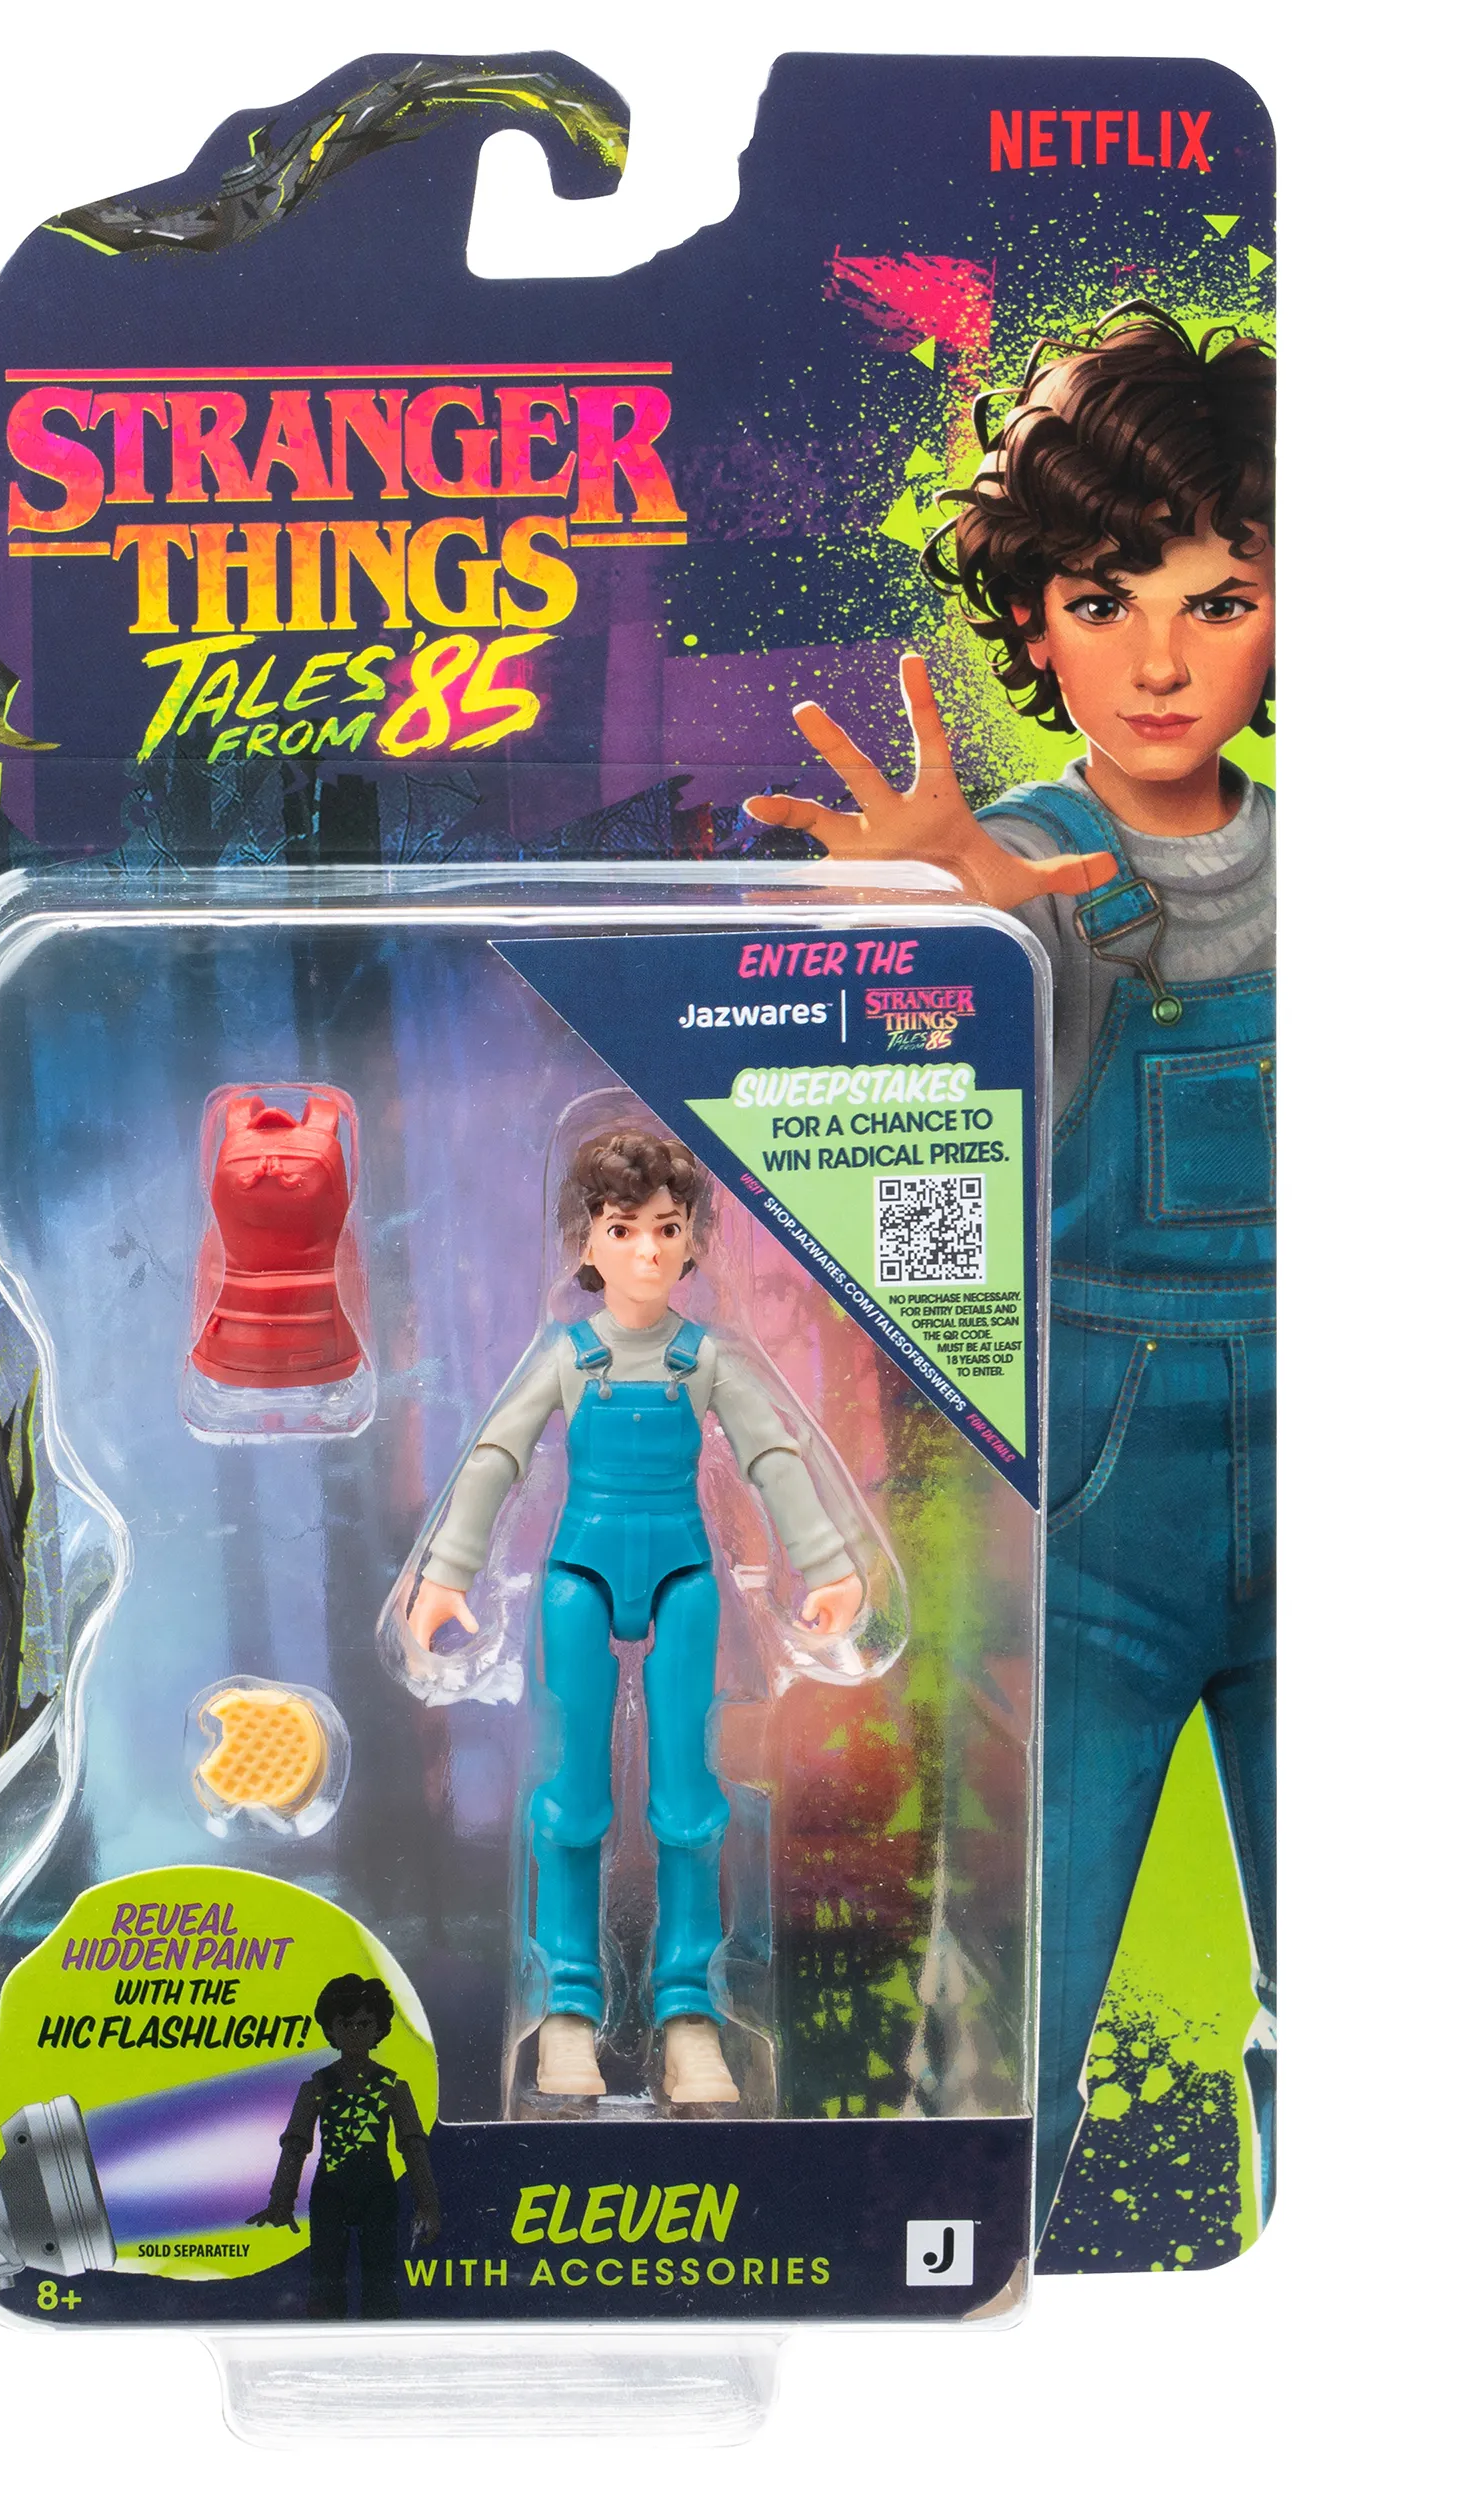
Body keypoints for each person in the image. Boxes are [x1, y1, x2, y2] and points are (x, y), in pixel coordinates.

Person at [746, 304, 1276, 2239]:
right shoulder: (1010, 869)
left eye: (1220, 603)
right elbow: (908, 1167)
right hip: (1093, 1517)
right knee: (1014, 1991)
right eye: (1104, 601)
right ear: (1033, 623)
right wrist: (927, 941)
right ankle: (959, 2275)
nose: (1162, 661)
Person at [407, 1129, 863, 2107]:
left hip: (684, 1578)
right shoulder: (565, 1355)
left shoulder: (707, 1357)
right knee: (572, 1799)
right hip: (576, 1576)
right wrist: (445, 1574)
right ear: (586, 1242)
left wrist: (826, 1563)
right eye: (624, 1229)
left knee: (690, 1804)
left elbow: (772, 1456)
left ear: (694, 1238)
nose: (648, 1251)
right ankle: (567, 2008)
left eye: (666, 1228)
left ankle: (689, 2014)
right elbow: (495, 1456)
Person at [248, 1973, 439, 2318]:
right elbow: (295, 2144)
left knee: (380, 2283)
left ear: (379, 2028)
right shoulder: (317, 2086)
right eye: (345, 2024)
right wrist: (281, 2200)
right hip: (331, 2191)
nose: (355, 2032)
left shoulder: (393, 2087)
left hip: (378, 2190)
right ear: (331, 2029)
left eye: (364, 2024)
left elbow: (413, 2147)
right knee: (325, 2281)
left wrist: (428, 2205)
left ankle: (381, 2334)